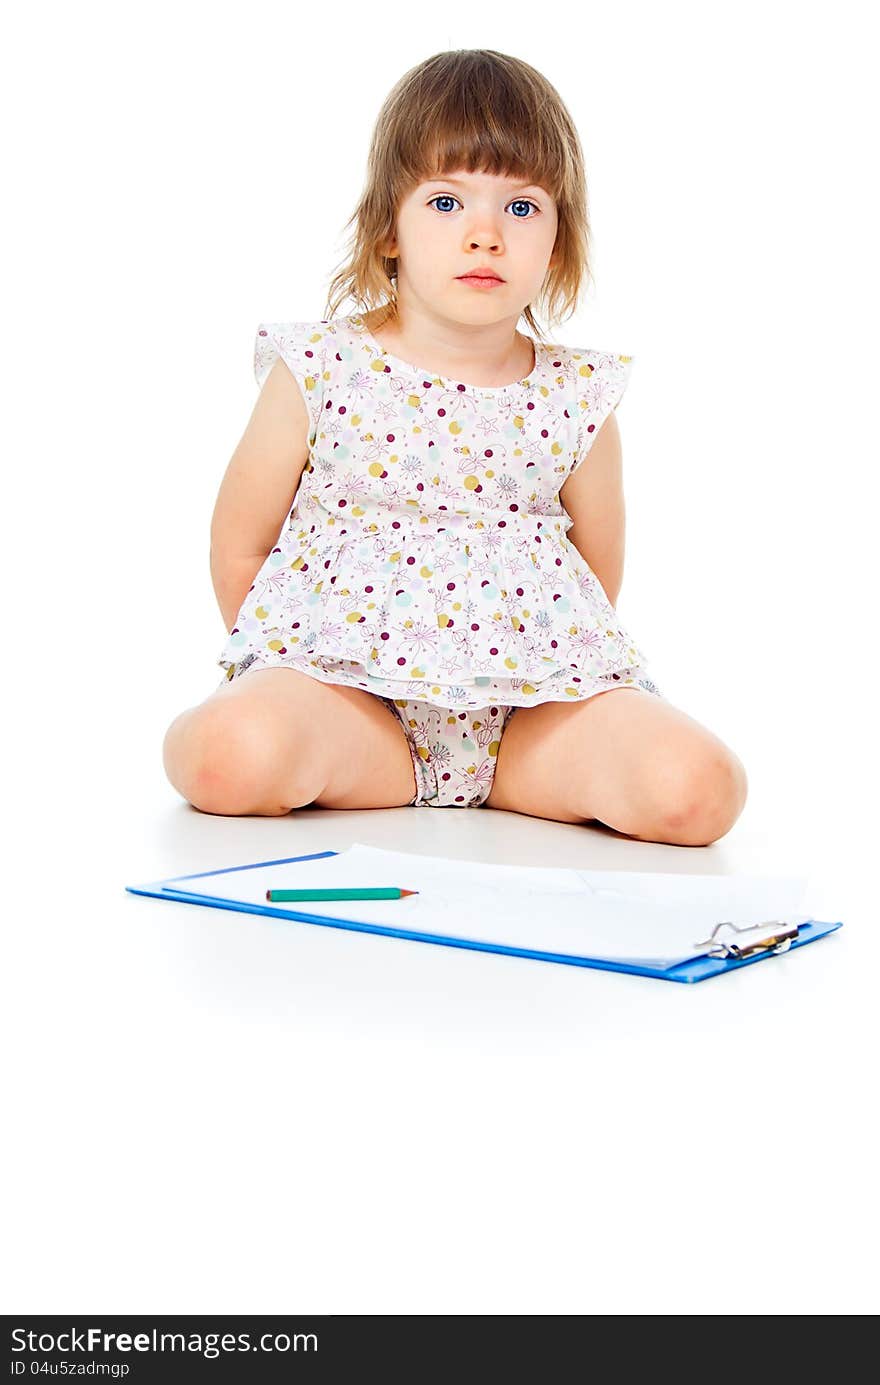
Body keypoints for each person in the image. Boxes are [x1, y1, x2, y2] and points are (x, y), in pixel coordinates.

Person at [163, 48, 747, 846]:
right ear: (388, 229)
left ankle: (506, 778)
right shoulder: (324, 369)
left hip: (527, 724)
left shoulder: (576, 397)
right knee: (226, 753)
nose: (484, 236)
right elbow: (241, 544)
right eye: (446, 202)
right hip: (354, 709)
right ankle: (334, 746)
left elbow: (598, 571)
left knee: (701, 788)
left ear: (559, 239)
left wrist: (528, 680)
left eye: (520, 208)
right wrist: (288, 670)